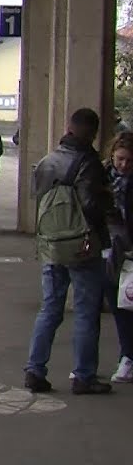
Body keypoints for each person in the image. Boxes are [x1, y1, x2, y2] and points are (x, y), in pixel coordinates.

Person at [24, 107, 117, 395]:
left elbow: (37, 197)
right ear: (94, 133)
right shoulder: (89, 163)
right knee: (86, 310)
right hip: (82, 245)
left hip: (52, 243)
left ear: (69, 127)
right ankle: (83, 376)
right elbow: (90, 205)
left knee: (50, 308)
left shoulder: (48, 160)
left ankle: (35, 369)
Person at [103, 133, 133, 383]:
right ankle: (127, 356)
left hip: (128, 248)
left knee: (126, 302)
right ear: (112, 155)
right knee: (118, 302)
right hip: (109, 248)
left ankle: (128, 357)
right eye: (120, 159)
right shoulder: (102, 176)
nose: (124, 165)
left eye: (129, 161)